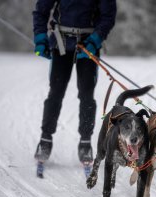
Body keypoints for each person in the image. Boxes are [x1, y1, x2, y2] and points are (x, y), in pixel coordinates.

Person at [32, 0, 117, 167]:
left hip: (88, 45)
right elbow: (41, 10)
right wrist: (40, 37)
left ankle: (85, 142)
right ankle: (45, 139)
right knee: (55, 93)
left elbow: (108, 16)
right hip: (60, 42)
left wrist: (95, 40)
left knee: (87, 95)